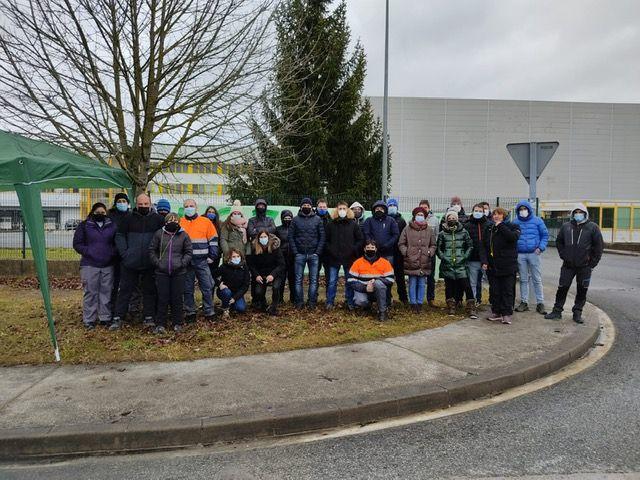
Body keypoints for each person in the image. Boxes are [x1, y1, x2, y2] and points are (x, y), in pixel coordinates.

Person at [111, 194, 165, 330]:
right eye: (140, 204)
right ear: (136, 204)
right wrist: (125, 253)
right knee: (124, 290)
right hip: (130, 262)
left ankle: (149, 317)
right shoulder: (128, 218)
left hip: (150, 262)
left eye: (146, 204)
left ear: (150, 204)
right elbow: (119, 235)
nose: (143, 207)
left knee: (149, 291)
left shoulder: (158, 219)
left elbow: (163, 238)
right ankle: (118, 317)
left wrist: (157, 256)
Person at [545, 204, 603, 324]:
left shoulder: (593, 227)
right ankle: (557, 311)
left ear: (585, 213)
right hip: (568, 265)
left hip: (585, 266)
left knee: (582, 290)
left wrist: (592, 263)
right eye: (575, 212)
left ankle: (577, 312)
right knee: (562, 287)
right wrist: (563, 254)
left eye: (580, 212)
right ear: (572, 214)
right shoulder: (566, 226)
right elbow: (559, 241)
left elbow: (598, 247)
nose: (578, 214)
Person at [73, 202, 117, 329]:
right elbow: (77, 244)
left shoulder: (112, 226)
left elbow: (116, 242)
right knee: (90, 292)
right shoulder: (84, 226)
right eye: (97, 212)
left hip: (108, 264)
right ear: (92, 212)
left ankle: (105, 317)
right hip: (89, 264)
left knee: (106, 292)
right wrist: (89, 252)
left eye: (103, 213)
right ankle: (89, 319)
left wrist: (111, 253)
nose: (100, 214)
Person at [148, 212, 192, 334]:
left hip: (179, 272)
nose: (173, 222)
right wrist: (158, 263)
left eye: (175, 220)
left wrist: (182, 263)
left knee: (177, 298)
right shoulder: (159, 234)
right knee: (162, 298)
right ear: (165, 221)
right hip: (162, 272)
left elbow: (188, 251)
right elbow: (152, 250)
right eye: (170, 220)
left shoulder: (184, 235)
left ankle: (177, 323)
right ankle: (160, 324)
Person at [480, 207, 521, 325]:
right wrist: (484, 261)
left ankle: (506, 314)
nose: (496, 216)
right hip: (493, 266)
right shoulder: (489, 228)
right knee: (495, 290)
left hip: (508, 265)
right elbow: (483, 245)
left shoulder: (513, 227)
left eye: (499, 214)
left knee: (507, 290)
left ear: (504, 216)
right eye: (494, 214)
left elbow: (512, 238)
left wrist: (501, 226)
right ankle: (496, 311)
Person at [180, 199, 219, 322]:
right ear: (183, 208)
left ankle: (209, 311)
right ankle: (190, 312)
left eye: (191, 205)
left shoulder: (205, 221)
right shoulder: (180, 222)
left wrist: (212, 256)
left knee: (207, 286)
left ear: (196, 207)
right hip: (186, 262)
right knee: (187, 288)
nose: (189, 208)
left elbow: (213, 239)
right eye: (186, 206)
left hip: (202, 261)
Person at [436, 210, 477, 318]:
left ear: (457, 219)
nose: (451, 220)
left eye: (453, 218)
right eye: (449, 218)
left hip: (461, 264)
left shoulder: (464, 232)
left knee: (466, 285)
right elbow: (438, 248)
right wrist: (443, 257)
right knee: (449, 286)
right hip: (447, 264)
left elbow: (470, 246)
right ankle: (451, 307)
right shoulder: (442, 233)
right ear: (446, 219)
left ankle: (471, 308)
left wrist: (464, 257)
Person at [324, 202, 364, 310]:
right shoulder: (330, 224)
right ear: (337, 210)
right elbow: (326, 241)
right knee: (332, 282)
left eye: (344, 208)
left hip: (349, 258)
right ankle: (330, 302)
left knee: (349, 281)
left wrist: (353, 249)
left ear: (347, 210)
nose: (342, 210)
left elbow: (360, 239)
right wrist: (331, 250)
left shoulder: (353, 224)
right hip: (333, 258)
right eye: (340, 208)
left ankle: (350, 302)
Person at [512, 200, 549, 314]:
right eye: (521, 209)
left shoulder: (537, 221)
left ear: (529, 209)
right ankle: (524, 302)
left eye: (525, 209)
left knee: (536, 279)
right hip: (520, 254)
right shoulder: (515, 222)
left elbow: (545, 235)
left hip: (534, 253)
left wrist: (541, 248)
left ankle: (540, 303)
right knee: (523, 279)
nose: (523, 211)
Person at [289, 197, 325, 310]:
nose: (306, 207)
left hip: (313, 255)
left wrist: (317, 253)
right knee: (298, 280)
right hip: (299, 255)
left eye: (308, 205)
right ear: (301, 206)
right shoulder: (295, 220)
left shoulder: (318, 219)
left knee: (314, 280)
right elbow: (290, 236)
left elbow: (322, 237)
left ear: (311, 206)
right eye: (304, 205)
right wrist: (295, 253)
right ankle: (299, 302)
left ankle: (312, 302)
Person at [398, 207, 437, 312]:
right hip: (411, 260)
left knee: (422, 283)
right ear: (414, 216)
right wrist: (406, 252)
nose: (420, 217)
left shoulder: (429, 229)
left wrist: (430, 252)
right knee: (412, 282)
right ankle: (413, 303)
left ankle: (420, 303)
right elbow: (401, 243)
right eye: (418, 215)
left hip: (424, 260)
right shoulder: (407, 229)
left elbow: (433, 244)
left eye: (422, 215)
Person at [348, 239, 395, 322]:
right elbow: (351, 280)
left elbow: (390, 279)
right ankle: (367, 307)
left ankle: (382, 312)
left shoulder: (385, 262)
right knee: (360, 301)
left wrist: (376, 281)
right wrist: (365, 288)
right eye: (368, 247)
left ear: (376, 249)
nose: (370, 249)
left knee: (378, 283)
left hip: (379, 290)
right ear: (364, 249)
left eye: (372, 247)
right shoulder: (357, 262)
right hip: (364, 290)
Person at [248, 230, 285, 315]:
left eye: (265, 237)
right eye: (261, 237)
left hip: (275, 274)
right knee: (258, 291)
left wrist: (272, 275)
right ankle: (263, 305)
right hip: (261, 275)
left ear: (268, 238)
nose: (263, 239)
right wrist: (256, 275)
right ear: (258, 239)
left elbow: (281, 264)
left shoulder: (275, 248)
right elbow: (251, 265)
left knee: (276, 287)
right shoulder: (255, 249)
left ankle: (274, 307)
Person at [107, 192, 131, 319]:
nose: (122, 203)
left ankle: (124, 310)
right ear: (115, 203)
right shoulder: (110, 216)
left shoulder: (131, 216)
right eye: (119, 201)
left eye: (124, 201)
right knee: (113, 284)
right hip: (113, 256)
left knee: (126, 285)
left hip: (127, 255)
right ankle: (111, 310)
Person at [213, 248, 251, 318]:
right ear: (229, 258)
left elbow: (245, 285)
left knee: (241, 308)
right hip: (225, 291)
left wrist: (235, 298)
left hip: (237, 293)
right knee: (226, 293)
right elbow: (212, 275)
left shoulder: (244, 267)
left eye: (238, 256)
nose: (236, 258)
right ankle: (225, 309)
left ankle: (231, 304)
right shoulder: (224, 266)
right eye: (233, 257)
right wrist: (219, 284)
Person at [465, 203, 489, 305]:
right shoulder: (467, 225)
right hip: (472, 259)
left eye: (480, 211)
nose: (478, 213)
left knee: (491, 282)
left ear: (484, 213)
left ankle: (493, 301)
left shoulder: (489, 225)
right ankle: (472, 302)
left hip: (486, 260)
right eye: (476, 211)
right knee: (472, 283)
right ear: (472, 211)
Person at [386, 198, 408, 304]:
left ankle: (403, 298)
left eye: (393, 206)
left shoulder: (401, 220)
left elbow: (405, 236)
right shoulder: (385, 219)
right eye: (389, 206)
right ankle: (388, 297)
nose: (392, 207)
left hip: (398, 253)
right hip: (388, 252)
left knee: (400, 277)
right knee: (387, 276)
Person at [418, 199, 439, 307]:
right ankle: (417, 299)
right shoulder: (416, 219)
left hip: (430, 253)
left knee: (430, 276)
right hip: (417, 253)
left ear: (429, 208)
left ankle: (431, 298)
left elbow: (437, 236)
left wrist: (432, 250)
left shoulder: (434, 220)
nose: (424, 209)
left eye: (425, 207)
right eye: (421, 207)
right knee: (418, 275)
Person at [275, 209, 296, 303]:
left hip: (293, 257)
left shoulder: (295, 229)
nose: (287, 219)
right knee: (281, 279)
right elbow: (275, 243)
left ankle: (293, 299)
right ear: (282, 219)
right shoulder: (278, 229)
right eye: (285, 218)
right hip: (281, 258)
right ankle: (279, 299)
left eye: (289, 218)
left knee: (293, 279)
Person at [315, 198, 332, 282]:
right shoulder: (312, 218)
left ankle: (328, 295)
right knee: (315, 274)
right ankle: (314, 294)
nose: (322, 209)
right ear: (317, 207)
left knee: (328, 274)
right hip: (316, 249)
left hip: (327, 251)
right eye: (320, 207)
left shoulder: (331, 219)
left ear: (327, 208)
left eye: (324, 207)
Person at [204, 206, 222, 272]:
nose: (211, 213)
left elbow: (220, 240)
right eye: (209, 212)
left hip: (216, 254)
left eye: (213, 212)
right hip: (204, 253)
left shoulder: (219, 225)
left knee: (213, 273)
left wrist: (218, 252)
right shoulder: (202, 223)